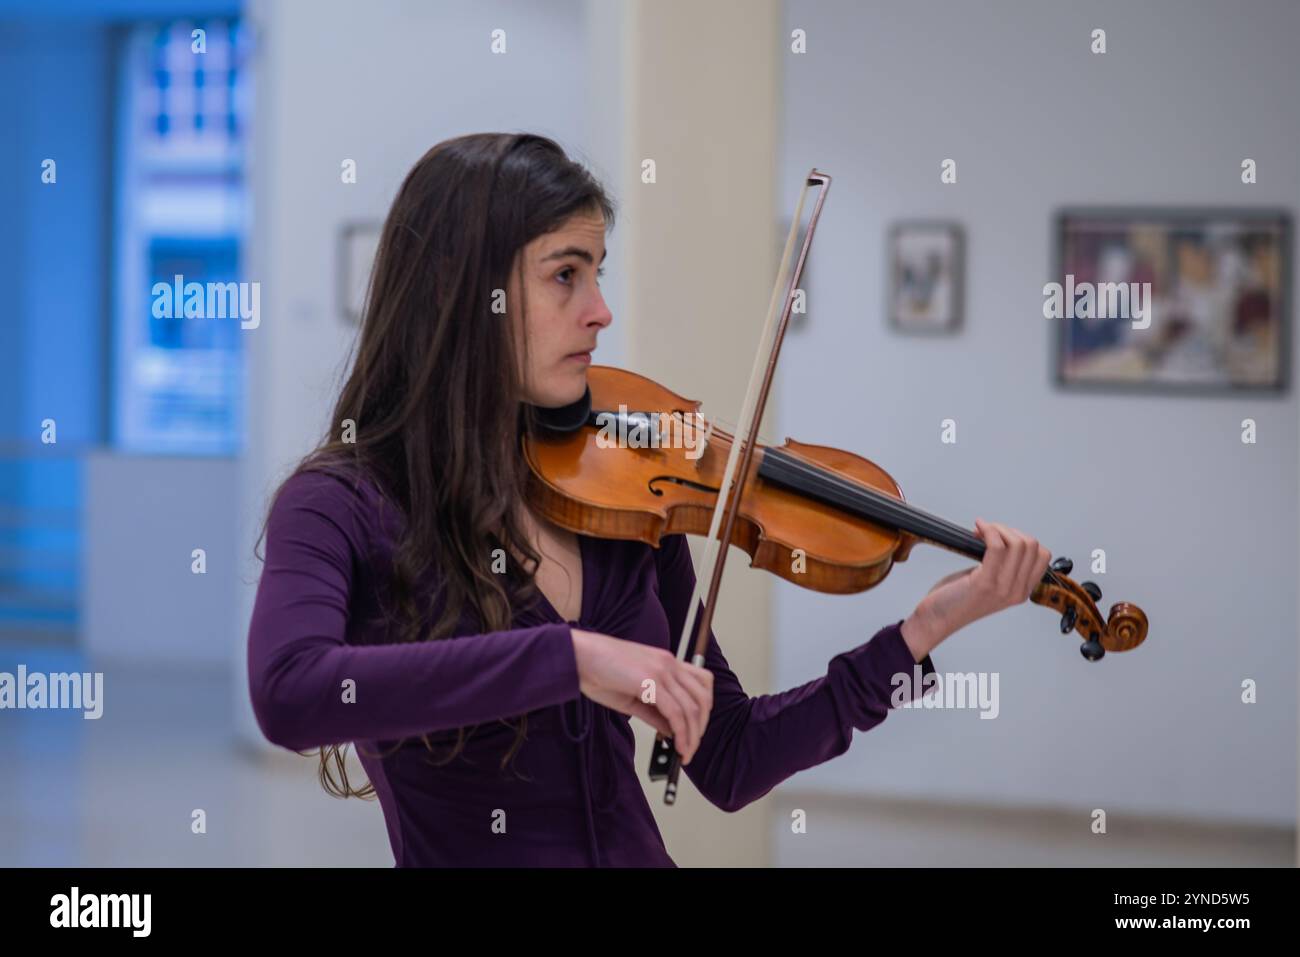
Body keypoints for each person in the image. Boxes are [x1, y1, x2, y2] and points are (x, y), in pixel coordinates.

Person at [245, 132, 1050, 867]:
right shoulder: (340, 505)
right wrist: (572, 658)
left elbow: (732, 758)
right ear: (464, 293)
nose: (601, 310)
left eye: (598, 273)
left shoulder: (624, 503)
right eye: (565, 274)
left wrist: (923, 631)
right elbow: (291, 693)